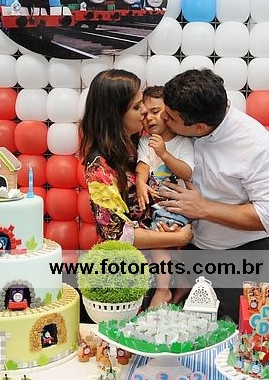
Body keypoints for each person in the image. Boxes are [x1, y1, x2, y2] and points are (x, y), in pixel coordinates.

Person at [158, 69, 269, 322]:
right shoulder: (178, 130)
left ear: (199, 127)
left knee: (230, 336)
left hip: (241, 258)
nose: (164, 117)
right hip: (191, 251)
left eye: (170, 117)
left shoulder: (256, 145)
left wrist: (203, 208)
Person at [79, 69, 192, 251]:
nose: (145, 111)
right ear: (115, 114)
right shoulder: (99, 165)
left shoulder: (136, 142)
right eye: (137, 107)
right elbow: (116, 234)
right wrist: (178, 238)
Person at [135, 86, 194, 307]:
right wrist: (140, 182)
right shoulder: (145, 141)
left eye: (156, 111)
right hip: (156, 207)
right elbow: (142, 165)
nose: (149, 118)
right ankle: (183, 283)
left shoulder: (183, 142)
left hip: (175, 205)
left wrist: (164, 153)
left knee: (159, 242)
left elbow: (187, 172)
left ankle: (163, 290)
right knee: (169, 245)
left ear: (168, 113)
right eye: (145, 113)